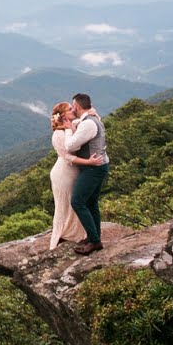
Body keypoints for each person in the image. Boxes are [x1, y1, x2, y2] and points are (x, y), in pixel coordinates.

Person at [62, 92, 109, 255]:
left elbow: (70, 146)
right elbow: (79, 122)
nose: (72, 107)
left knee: (77, 201)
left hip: (93, 168)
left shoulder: (88, 124)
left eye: (73, 105)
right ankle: (93, 236)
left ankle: (95, 241)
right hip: (99, 166)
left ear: (77, 106)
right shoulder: (91, 119)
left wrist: (68, 130)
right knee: (91, 203)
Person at [47, 101, 89, 249]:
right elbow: (67, 156)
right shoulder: (58, 134)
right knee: (65, 203)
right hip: (63, 173)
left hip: (72, 171)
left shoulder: (71, 126)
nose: (74, 110)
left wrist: (91, 113)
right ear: (63, 115)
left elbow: (85, 121)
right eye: (70, 109)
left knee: (74, 201)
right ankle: (63, 234)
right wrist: (88, 162)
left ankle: (75, 233)